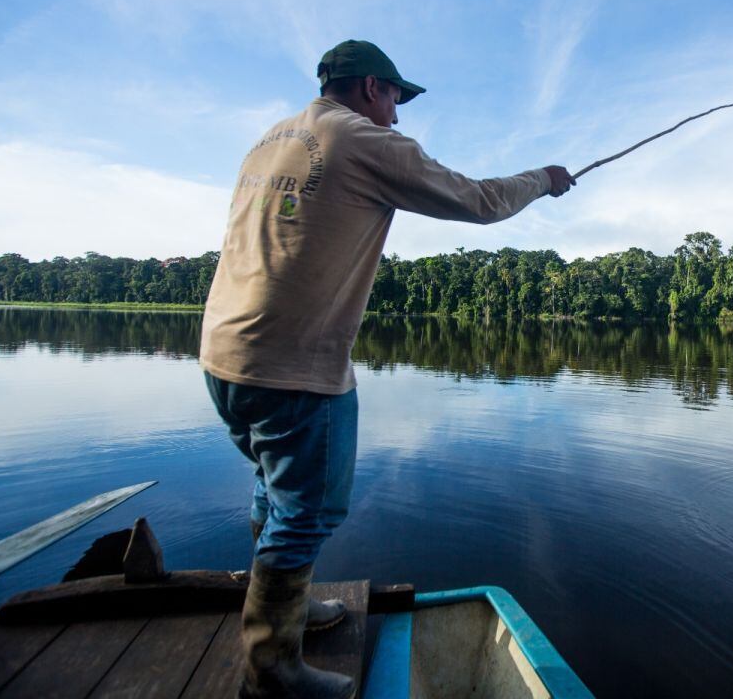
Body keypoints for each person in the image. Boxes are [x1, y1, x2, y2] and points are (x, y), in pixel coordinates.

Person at [199, 39, 575, 698]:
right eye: (396, 100)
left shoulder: (270, 139)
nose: (398, 117)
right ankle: (271, 668)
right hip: (295, 369)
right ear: (372, 87)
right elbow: (479, 200)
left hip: (224, 357)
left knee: (273, 488)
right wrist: (544, 180)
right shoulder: (359, 138)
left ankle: (291, 606)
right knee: (308, 509)